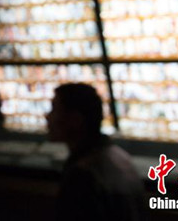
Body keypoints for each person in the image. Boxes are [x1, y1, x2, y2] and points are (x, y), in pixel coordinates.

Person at [46, 83, 144, 221]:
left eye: (54, 109)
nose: (47, 117)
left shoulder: (82, 176)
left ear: (75, 119)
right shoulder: (119, 156)